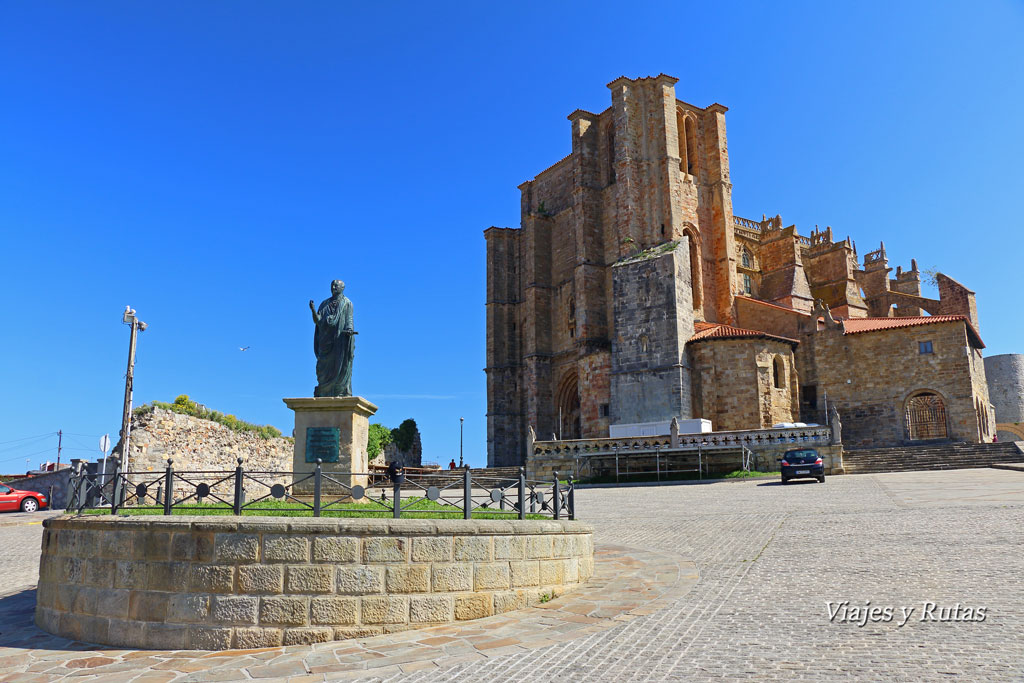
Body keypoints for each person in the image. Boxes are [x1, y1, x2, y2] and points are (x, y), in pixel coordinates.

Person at [309, 280, 356, 397]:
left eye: (336, 286)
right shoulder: (324, 304)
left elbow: (349, 319)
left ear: (342, 288)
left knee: (340, 365)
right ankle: (324, 390)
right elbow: (318, 321)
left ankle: (339, 390)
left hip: (339, 340)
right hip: (325, 340)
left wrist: (349, 329)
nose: (334, 287)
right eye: (332, 285)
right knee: (322, 366)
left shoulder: (347, 303)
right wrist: (313, 310)